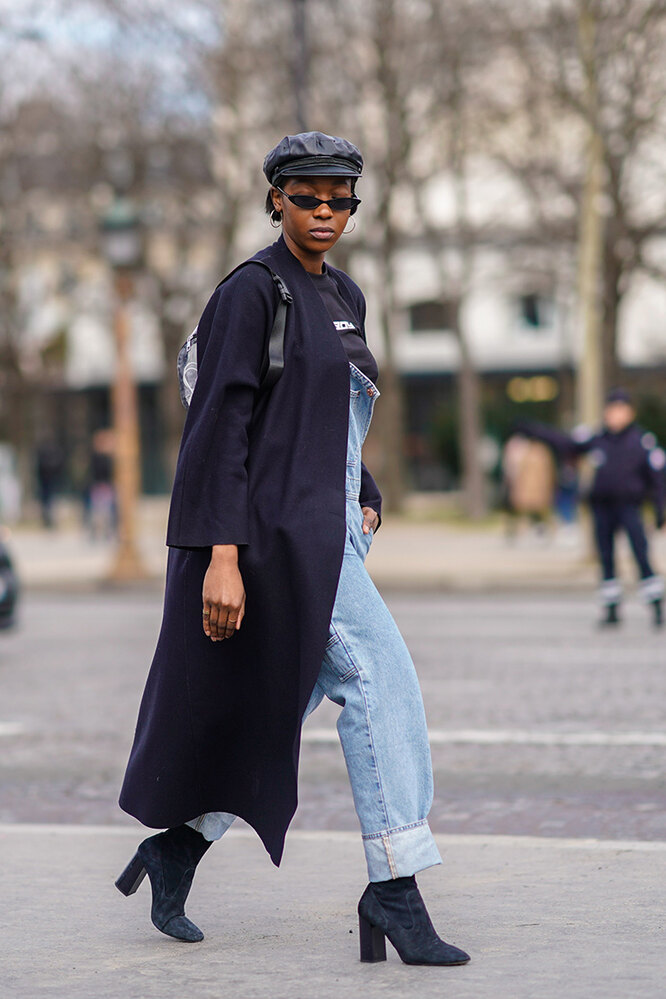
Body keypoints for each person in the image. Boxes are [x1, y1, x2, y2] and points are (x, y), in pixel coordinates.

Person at [115, 132, 470, 968]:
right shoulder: (251, 291)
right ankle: (395, 883)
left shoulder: (345, 292)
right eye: (306, 196)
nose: (324, 212)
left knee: (280, 697)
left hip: (329, 528)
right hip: (272, 537)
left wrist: (363, 490)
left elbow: (314, 419)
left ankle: (178, 847)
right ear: (274, 197)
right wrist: (222, 555)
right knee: (383, 681)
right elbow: (219, 430)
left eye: (339, 199)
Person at [518, 388, 666, 627]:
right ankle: (611, 609)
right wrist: (534, 430)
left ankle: (656, 606)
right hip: (602, 508)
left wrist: (661, 511)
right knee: (606, 559)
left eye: (621, 410)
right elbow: (566, 443)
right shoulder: (597, 438)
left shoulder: (642, 441)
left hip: (630, 507)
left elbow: (658, 479)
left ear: (630, 413)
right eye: (612, 410)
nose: (616, 415)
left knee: (641, 555)